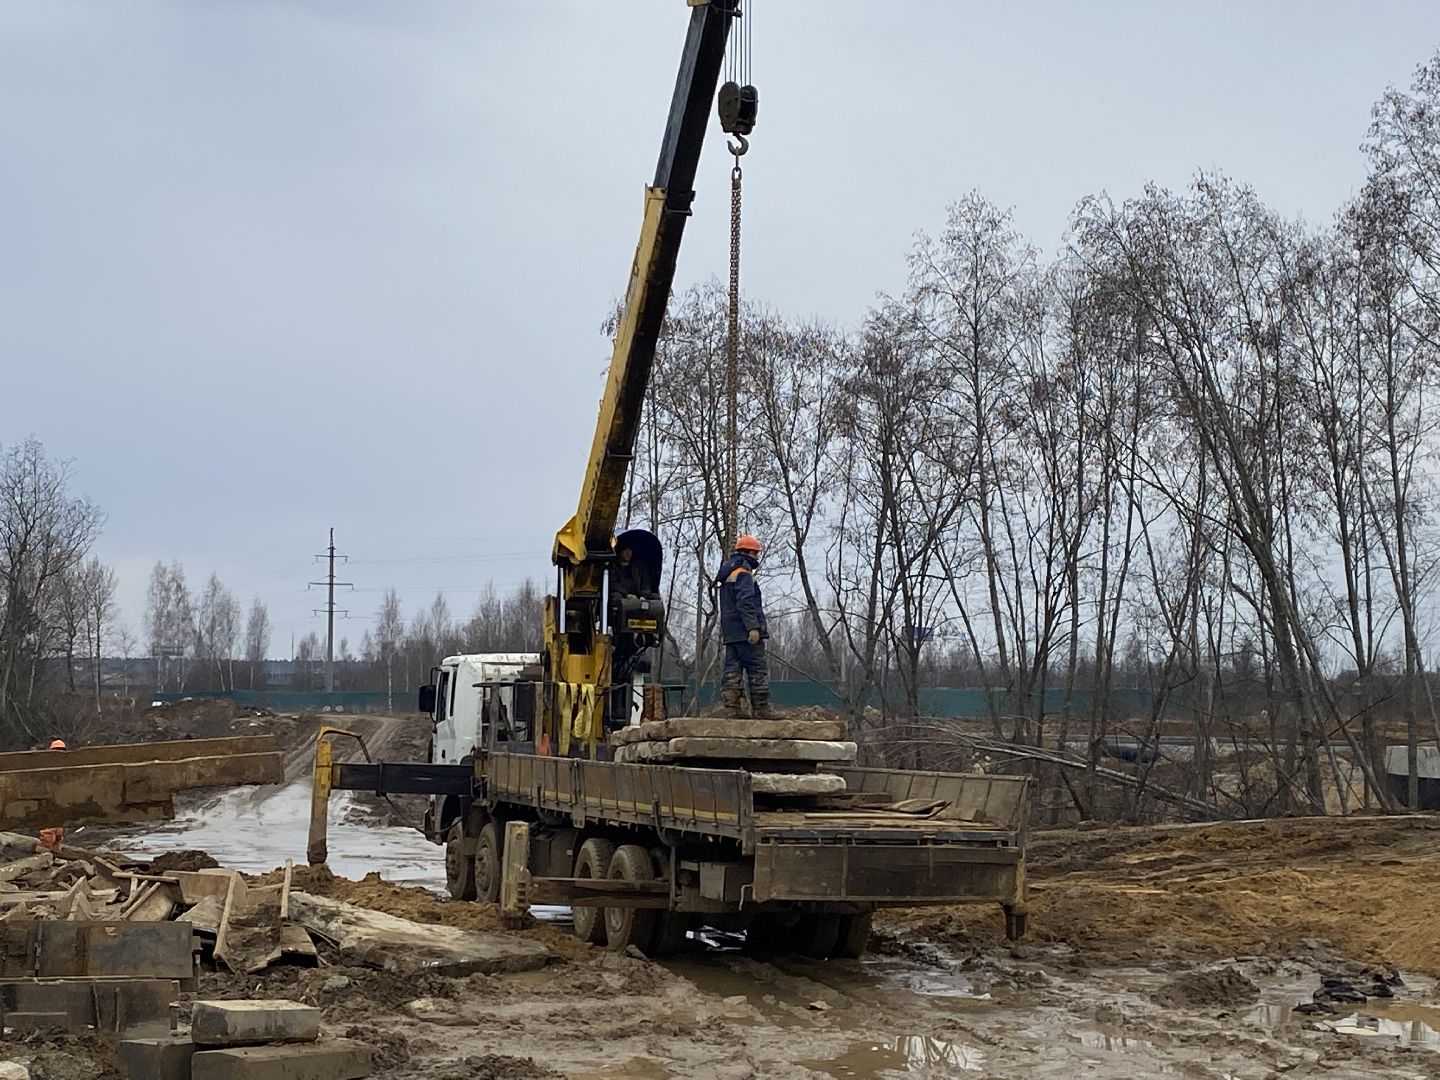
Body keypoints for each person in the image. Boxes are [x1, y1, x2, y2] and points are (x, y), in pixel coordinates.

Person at [715, 534, 773, 718]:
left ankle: (731, 710)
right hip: (745, 633)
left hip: (731, 633)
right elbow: (745, 602)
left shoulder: (727, 574)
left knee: (732, 670)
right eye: (755, 553)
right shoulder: (743, 573)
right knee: (757, 669)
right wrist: (753, 628)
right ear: (748, 553)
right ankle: (761, 710)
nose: (756, 557)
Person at [38, 739, 67, 854]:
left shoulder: (67, 765)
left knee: (59, 834)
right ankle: (42, 855)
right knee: (48, 834)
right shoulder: (45, 765)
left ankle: (56, 856)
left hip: (61, 802)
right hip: (48, 803)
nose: (58, 753)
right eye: (56, 750)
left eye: (60, 750)